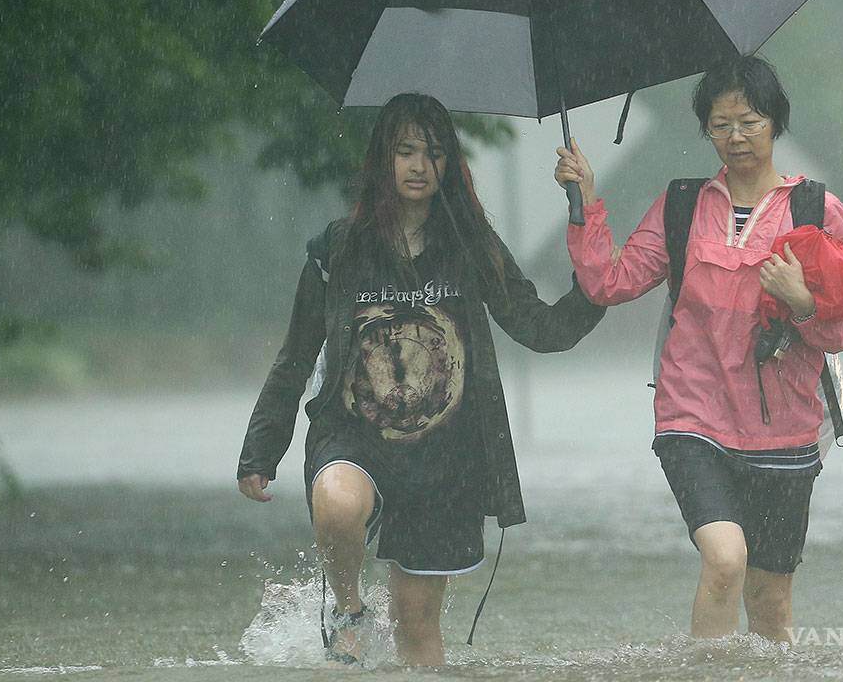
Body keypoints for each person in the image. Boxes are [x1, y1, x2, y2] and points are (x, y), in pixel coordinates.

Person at [238, 92, 604, 666]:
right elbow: (295, 354)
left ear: (448, 166)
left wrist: (598, 273)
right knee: (335, 505)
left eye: (432, 153)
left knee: (418, 636)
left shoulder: (471, 246)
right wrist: (261, 448)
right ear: (382, 160)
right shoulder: (339, 249)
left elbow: (541, 327)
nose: (418, 166)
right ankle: (349, 606)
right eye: (405, 151)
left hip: (446, 457)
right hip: (353, 437)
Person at [553, 56, 843, 641]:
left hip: (786, 428)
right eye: (721, 125)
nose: (736, 137)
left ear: (775, 122)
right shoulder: (681, 206)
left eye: (748, 121)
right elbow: (609, 283)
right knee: (724, 560)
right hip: (691, 416)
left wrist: (802, 302)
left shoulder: (816, 211)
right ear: (706, 131)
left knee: (770, 601)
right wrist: (586, 203)